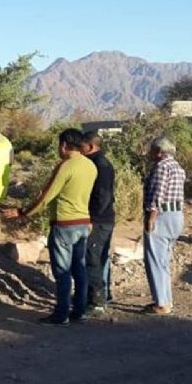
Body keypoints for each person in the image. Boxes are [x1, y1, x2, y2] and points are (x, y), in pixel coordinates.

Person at [0, 128, 97, 326]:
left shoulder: (66, 166)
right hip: (83, 223)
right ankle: (79, 311)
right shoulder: (90, 166)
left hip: (64, 224)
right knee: (79, 269)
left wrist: (23, 212)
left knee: (62, 272)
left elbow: (46, 196)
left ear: (63, 145)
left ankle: (61, 315)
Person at [142, 136, 186, 315]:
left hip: (161, 216)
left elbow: (157, 195)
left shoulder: (161, 167)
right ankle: (166, 300)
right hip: (176, 215)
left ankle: (161, 303)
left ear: (160, 152)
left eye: (153, 150)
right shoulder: (178, 168)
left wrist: (151, 217)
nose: (150, 153)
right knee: (164, 259)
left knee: (155, 259)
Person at [81, 131, 116, 313]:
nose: (80, 150)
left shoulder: (99, 165)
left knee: (93, 258)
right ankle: (103, 295)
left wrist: (92, 219)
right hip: (105, 218)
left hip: (99, 220)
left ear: (91, 146)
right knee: (101, 258)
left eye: (82, 146)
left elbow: (103, 196)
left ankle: (96, 302)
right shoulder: (100, 163)